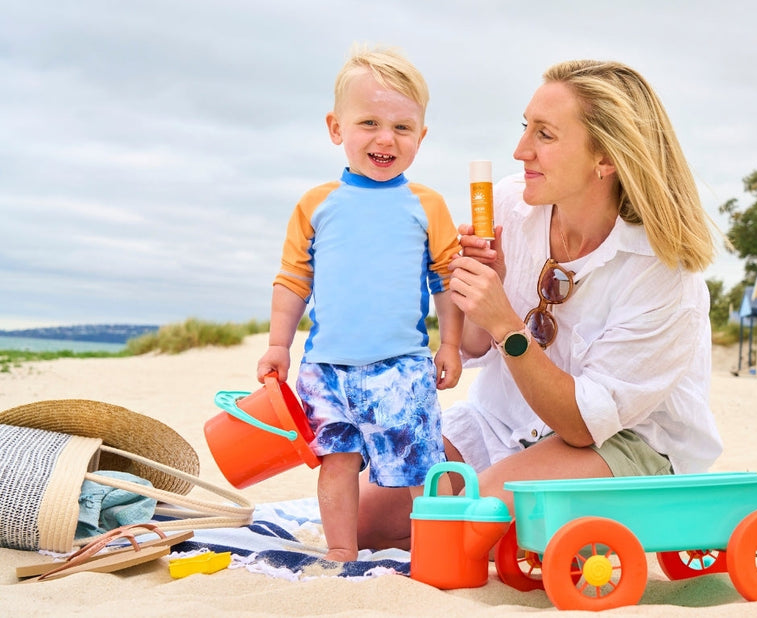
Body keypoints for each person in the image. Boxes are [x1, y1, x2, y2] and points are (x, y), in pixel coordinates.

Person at [356, 59, 723, 551]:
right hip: (504, 420)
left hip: (619, 443)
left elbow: (580, 424)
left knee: (460, 524)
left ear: (606, 158)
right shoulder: (512, 203)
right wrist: (478, 292)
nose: (520, 149)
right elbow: (474, 348)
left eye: (545, 134)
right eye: (525, 127)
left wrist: (506, 321)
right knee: (362, 517)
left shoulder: (664, 275)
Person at [256, 45, 462, 562]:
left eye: (402, 127)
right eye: (368, 122)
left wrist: (452, 344)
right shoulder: (316, 204)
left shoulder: (427, 204)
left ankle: (438, 551)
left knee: (420, 460)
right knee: (336, 461)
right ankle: (341, 553)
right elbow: (293, 279)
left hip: (403, 365)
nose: (385, 138)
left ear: (421, 136)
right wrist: (278, 344)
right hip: (326, 367)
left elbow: (446, 280)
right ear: (335, 128)